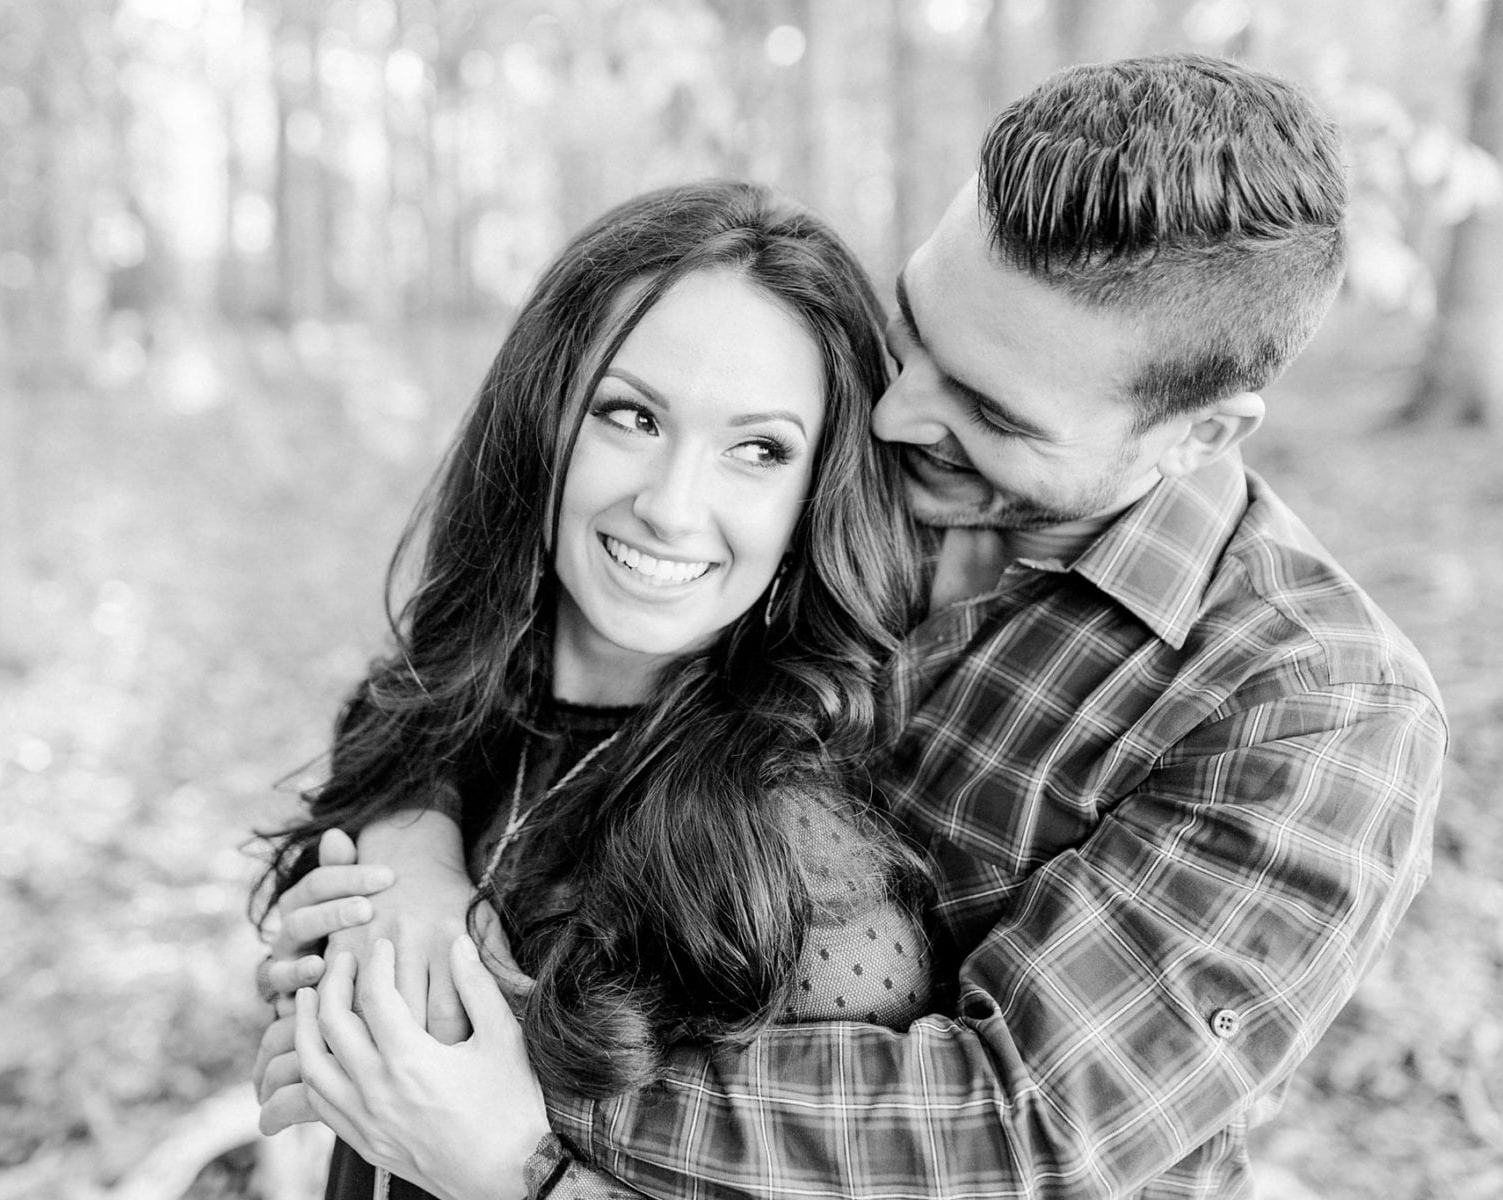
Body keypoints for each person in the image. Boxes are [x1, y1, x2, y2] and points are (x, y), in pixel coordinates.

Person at [257, 52, 1447, 1200]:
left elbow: (1017, 1118)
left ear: (1200, 435)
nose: (895, 409)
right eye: (916, 322)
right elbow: (528, 667)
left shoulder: (1308, 709)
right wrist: (408, 861)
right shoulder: (834, 466)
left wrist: (499, 1080)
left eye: (989, 407)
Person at [250, 179, 944, 1200]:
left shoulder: (808, 882)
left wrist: (514, 1175)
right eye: (631, 415)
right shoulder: (440, 714)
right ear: (544, 420)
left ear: (812, 503)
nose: (671, 505)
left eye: (758, 449)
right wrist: (342, 1004)